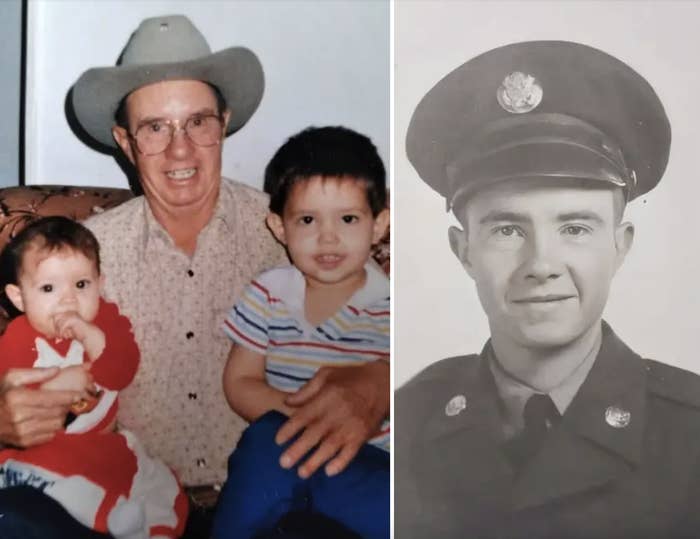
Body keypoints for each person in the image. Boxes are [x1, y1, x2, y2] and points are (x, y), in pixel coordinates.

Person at [0, 14, 389, 538]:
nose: (179, 149)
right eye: (155, 127)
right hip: (130, 508)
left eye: (197, 122)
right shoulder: (79, 261)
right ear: (124, 139)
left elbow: (412, 324)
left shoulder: (298, 232)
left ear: (223, 122)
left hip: (274, 511)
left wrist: (383, 380)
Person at [395, 40, 700, 539]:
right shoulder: (409, 419)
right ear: (463, 250)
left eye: (575, 228)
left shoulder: (690, 436)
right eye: (507, 230)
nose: (540, 265)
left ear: (619, 246)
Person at [212, 126, 390, 539]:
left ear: (379, 224)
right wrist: (310, 422)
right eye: (307, 220)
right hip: (288, 450)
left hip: (363, 463)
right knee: (262, 445)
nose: (328, 237)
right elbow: (240, 382)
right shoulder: (269, 292)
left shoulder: (395, 307)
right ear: (279, 227)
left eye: (348, 219)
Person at [0, 216, 187, 539]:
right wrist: (57, 383)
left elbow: (122, 371)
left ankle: (153, 528)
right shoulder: (17, 336)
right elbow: (11, 396)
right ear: (19, 297)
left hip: (101, 444)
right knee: (39, 478)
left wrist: (91, 336)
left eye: (81, 285)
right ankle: (108, 514)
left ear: (100, 284)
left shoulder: (107, 322)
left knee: (160, 483)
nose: (68, 299)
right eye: (48, 288)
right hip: (43, 447)